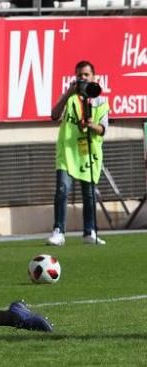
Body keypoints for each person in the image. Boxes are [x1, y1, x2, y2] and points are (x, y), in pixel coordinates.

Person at [47, 60, 109, 246]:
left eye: (86, 75)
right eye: (79, 75)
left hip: (88, 153)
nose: (83, 78)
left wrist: (92, 125)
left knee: (89, 193)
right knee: (62, 190)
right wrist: (67, 94)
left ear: (94, 77)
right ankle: (59, 231)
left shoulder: (102, 101)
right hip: (68, 152)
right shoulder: (71, 97)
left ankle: (89, 231)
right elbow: (54, 115)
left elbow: (104, 129)